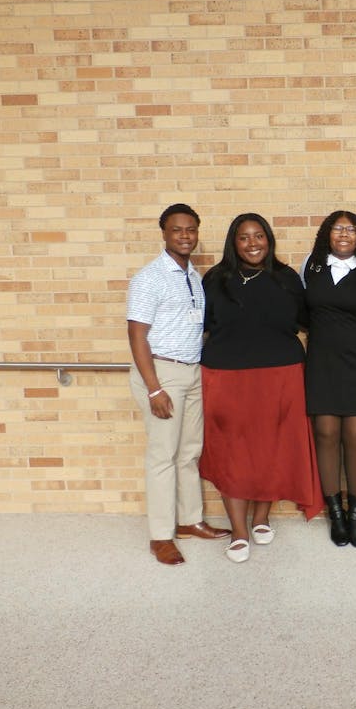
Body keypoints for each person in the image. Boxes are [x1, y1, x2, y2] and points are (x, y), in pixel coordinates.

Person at [199, 213, 324, 563]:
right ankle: (238, 530)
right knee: (231, 451)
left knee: (271, 447)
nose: (253, 243)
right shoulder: (216, 279)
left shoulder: (286, 278)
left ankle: (260, 518)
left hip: (280, 375)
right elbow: (203, 325)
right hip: (227, 376)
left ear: (269, 240)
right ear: (233, 242)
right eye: (244, 237)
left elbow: (305, 320)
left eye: (259, 236)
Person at [127, 203, 231, 565]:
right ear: (164, 233)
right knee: (162, 456)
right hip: (162, 373)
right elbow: (137, 335)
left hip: (192, 372)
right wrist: (154, 388)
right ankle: (160, 536)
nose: (185, 236)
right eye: (177, 230)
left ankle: (190, 520)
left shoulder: (194, 276)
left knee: (189, 452)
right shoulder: (149, 277)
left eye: (190, 230)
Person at [300, 211, 356, 548]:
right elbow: (302, 308)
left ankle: (355, 515)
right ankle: (335, 514)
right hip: (322, 359)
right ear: (327, 234)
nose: (344, 234)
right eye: (338, 228)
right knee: (325, 432)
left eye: (351, 229)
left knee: (354, 434)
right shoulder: (312, 264)